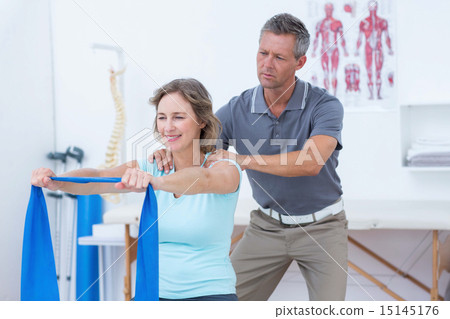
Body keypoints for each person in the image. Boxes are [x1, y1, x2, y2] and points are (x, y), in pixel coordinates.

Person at [152, 13, 347, 301]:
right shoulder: (238, 108)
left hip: (323, 228)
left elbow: (311, 162)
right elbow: (197, 144)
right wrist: (167, 149)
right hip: (266, 227)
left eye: (279, 57)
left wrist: (243, 160)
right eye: (263, 53)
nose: (267, 64)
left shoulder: (325, 106)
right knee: (226, 302)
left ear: (300, 63)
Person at [31, 78, 242, 301]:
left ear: (201, 120)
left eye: (178, 117)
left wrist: (157, 182)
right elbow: (99, 177)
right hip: (151, 296)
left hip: (210, 296)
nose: (168, 127)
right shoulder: (153, 166)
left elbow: (203, 179)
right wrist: (56, 181)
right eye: (162, 117)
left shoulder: (224, 166)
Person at [355, 0, 393, 100]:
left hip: (378, 48)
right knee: (369, 71)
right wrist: (357, 49)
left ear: (377, 8)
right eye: (370, 7)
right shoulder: (363, 22)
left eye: (374, 7)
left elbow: (387, 36)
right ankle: (371, 94)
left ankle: (378, 94)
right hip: (367, 48)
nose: (372, 10)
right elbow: (360, 37)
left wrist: (390, 48)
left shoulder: (382, 22)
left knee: (378, 72)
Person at [311, 3, 349, 95]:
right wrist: (314, 51)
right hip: (324, 50)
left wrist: (345, 50)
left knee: (334, 73)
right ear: (325, 10)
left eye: (330, 9)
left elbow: (342, 37)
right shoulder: (320, 23)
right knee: (326, 73)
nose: (329, 11)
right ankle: (328, 94)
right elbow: (316, 38)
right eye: (327, 9)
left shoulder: (337, 23)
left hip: (334, 50)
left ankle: (334, 94)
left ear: (332, 10)